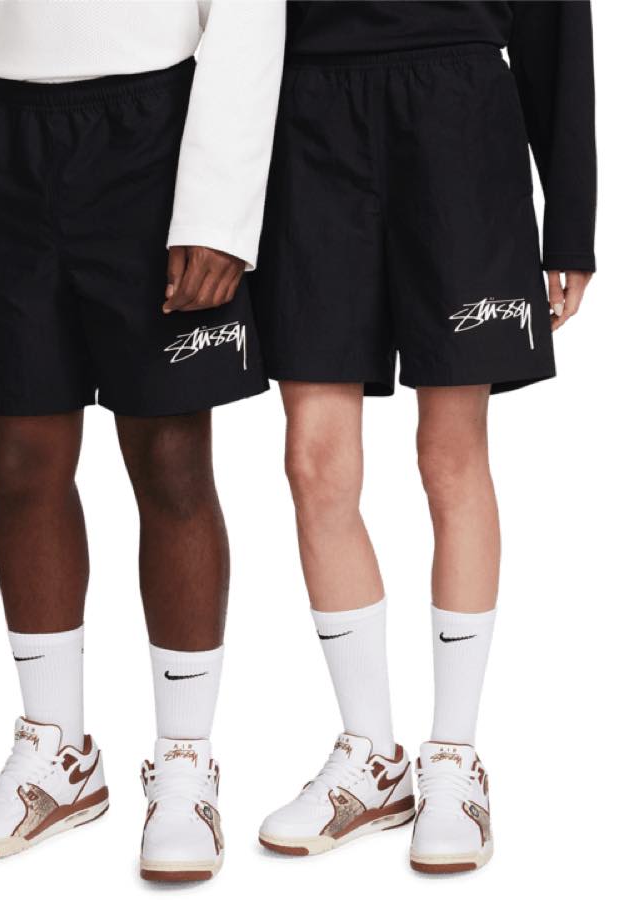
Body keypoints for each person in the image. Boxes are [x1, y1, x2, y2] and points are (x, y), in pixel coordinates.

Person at [0, 0, 283, 880]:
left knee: (170, 457)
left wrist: (216, 215)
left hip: (155, 139)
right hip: (5, 140)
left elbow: (250, 18)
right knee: (22, 460)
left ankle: (184, 764)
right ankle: (57, 755)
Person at [250, 0, 595, 873]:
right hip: (307, 119)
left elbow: (558, 21)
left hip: (459, 115)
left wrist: (572, 218)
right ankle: (371, 757)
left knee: (450, 455)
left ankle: (454, 757)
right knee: (313, 462)